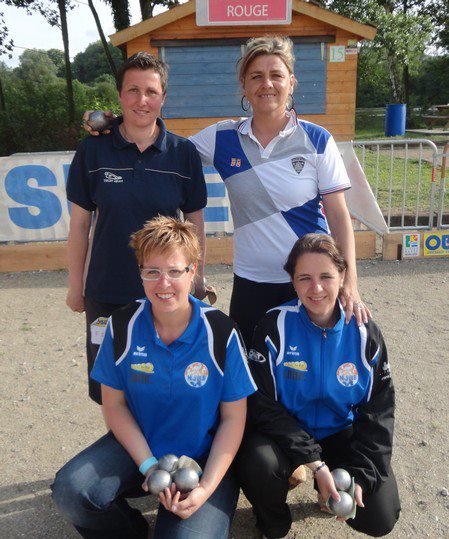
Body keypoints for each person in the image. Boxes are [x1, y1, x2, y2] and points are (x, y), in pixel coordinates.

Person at [84, 36, 369, 348]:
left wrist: (349, 282)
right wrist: (119, 122)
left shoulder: (317, 139)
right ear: (244, 85)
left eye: (276, 75)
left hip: (310, 281)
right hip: (251, 284)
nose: (267, 84)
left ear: (291, 82)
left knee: (310, 377)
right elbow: (163, 148)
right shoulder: (223, 137)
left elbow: (340, 218)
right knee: (251, 384)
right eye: (256, 76)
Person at [52, 216, 256, 539]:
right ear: (141, 274)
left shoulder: (221, 332)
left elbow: (234, 419)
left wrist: (204, 489)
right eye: (152, 271)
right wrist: (148, 466)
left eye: (175, 271)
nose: (164, 283)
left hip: (202, 459)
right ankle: (132, 537)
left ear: (193, 272)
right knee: (72, 491)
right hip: (141, 449)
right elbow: (113, 406)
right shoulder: (122, 325)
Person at [236, 233, 400, 539]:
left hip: (340, 431)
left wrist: (362, 477)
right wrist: (314, 460)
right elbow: (260, 405)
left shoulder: (365, 332)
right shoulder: (274, 326)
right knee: (257, 463)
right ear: (292, 282)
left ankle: (325, 490)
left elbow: (380, 413)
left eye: (326, 276)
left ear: (342, 276)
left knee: (380, 516)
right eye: (305, 278)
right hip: (285, 433)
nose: (316, 288)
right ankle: (274, 529)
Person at [68, 51, 208, 404]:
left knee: (161, 384)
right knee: (109, 390)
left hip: (165, 293)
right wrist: (76, 287)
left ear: (163, 97)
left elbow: (195, 225)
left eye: (150, 91)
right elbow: (79, 225)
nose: (141, 100)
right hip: (106, 293)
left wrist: (197, 278)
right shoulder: (93, 150)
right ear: (119, 96)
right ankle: (126, 455)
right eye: (132, 90)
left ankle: (160, 458)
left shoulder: (183, 153)